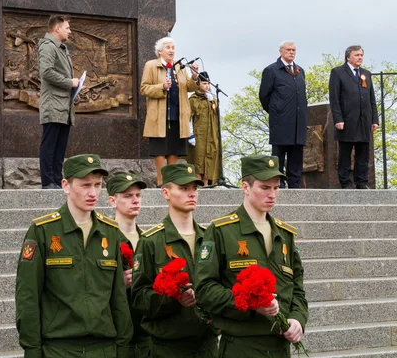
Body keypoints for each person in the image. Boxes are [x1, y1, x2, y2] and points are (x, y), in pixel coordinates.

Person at [15, 153, 132, 358]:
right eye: (85, 185)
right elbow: (28, 297)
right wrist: (33, 350)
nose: (93, 193)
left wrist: (122, 347)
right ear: (66, 185)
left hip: (103, 349)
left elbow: (118, 298)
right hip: (59, 349)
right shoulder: (43, 231)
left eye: (97, 185)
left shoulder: (111, 232)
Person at [195, 154, 308, 358]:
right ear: (245, 187)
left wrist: (297, 319)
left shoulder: (285, 235)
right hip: (241, 346)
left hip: (280, 347)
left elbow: (297, 288)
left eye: (276, 188)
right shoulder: (222, 231)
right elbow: (204, 289)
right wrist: (250, 304)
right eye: (265, 187)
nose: (272, 194)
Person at [131, 163, 219, 357]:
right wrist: (173, 299)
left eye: (194, 188)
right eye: (183, 188)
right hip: (169, 347)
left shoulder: (210, 238)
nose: (192, 194)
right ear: (166, 193)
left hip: (208, 344)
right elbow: (139, 297)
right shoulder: (151, 241)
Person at [140, 36, 199, 186]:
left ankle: (171, 180)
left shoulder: (179, 67)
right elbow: (144, 88)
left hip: (177, 114)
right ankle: (160, 180)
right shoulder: (151, 65)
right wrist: (161, 87)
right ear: (160, 51)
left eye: (173, 48)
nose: (171, 50)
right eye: (168, 47)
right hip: (159, 115)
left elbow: (190, 87)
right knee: (160, 148)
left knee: (174, 148)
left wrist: (195, 77)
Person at [107, 172, 150, 357]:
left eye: (138, 195)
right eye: (127, 196)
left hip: (147, 334)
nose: (135, 200)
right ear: (112, 201)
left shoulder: (149, 240)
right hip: (115, 335)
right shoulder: (104, 240)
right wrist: (118, 283)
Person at [329, 45, 379, 189]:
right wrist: (338, 118)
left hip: (364, 120)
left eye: (361, 55)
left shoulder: (366, 74)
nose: (360, 57)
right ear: (348, 57)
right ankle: (345, 183)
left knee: (363, 153)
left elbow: (372, 99)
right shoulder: (338, 72)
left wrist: (374, 119)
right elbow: (335, 98)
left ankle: (361, 182)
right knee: (345, 153)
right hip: (347, 120)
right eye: (357, 55)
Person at [38, 14, 79, 189]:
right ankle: (48, 182)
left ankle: (55, 179)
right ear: (57, 28)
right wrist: (70, 82)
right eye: (67, 27)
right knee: (49, 145)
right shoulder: (48, 46)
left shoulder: (61, 48)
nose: (70, 31)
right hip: (53, 104)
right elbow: (46, 72)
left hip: (63, 105)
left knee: (59, 147)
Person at [259, 41, 308, 188]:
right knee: (279, 155)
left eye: (293, 50)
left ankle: (295, 185)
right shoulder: (271, 70)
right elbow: (264, 96)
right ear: (281, 51)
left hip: (298, 122)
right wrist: (276, 110)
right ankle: (278, 184)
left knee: (296, 156)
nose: (291, 52)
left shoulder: (300, 71)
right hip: (280, 122)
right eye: (288, 50)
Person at [187, 71, 220, 185]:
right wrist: (190, 134)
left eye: (208, 83)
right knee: (198, 160)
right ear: (199, 84)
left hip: (211, 134)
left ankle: (206, 184)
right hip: (198, 134)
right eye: (204, 83)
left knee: (209, 160)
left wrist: (212, 101)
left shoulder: (211, 99)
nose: (207, 86)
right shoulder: (193, 99)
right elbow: (188, 117)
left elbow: (216, 116)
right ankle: (198, 184)